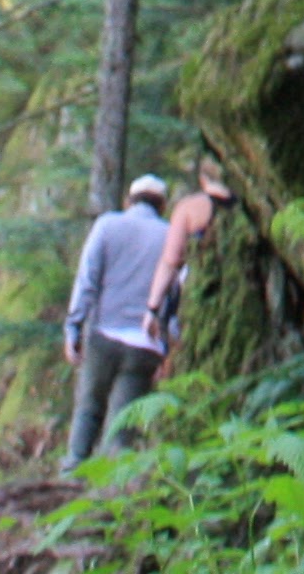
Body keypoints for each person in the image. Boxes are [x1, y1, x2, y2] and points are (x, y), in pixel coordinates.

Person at [61, 174, 176, 463]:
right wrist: (168, 348)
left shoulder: (107, 226)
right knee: (123, 423)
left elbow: (87, 280)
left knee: (89, 407)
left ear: (129, 200)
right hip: (146, 343)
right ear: (163, 205)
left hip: (104, 335)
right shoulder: (171, 236)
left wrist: (73, 328)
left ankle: (73, 471)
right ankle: (113, 491)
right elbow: (175, 295)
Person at [139, 158, 235, 351]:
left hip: (199, 295)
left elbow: (171, 260)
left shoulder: (190, 207)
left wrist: (152, 309)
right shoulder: (245, 205)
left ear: (202, 179)